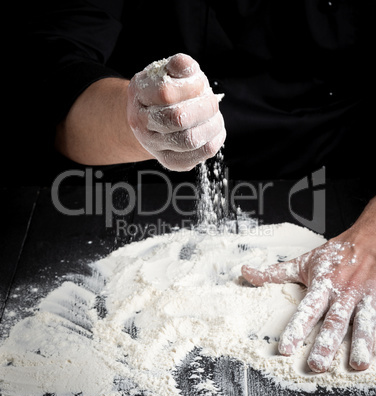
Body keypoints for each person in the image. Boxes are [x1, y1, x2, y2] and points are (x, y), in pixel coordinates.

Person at [24, 0, 375, 374]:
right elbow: (47, 69)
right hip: (133, 190)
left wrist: (372, 236)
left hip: (333, 196)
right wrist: (135, 119)